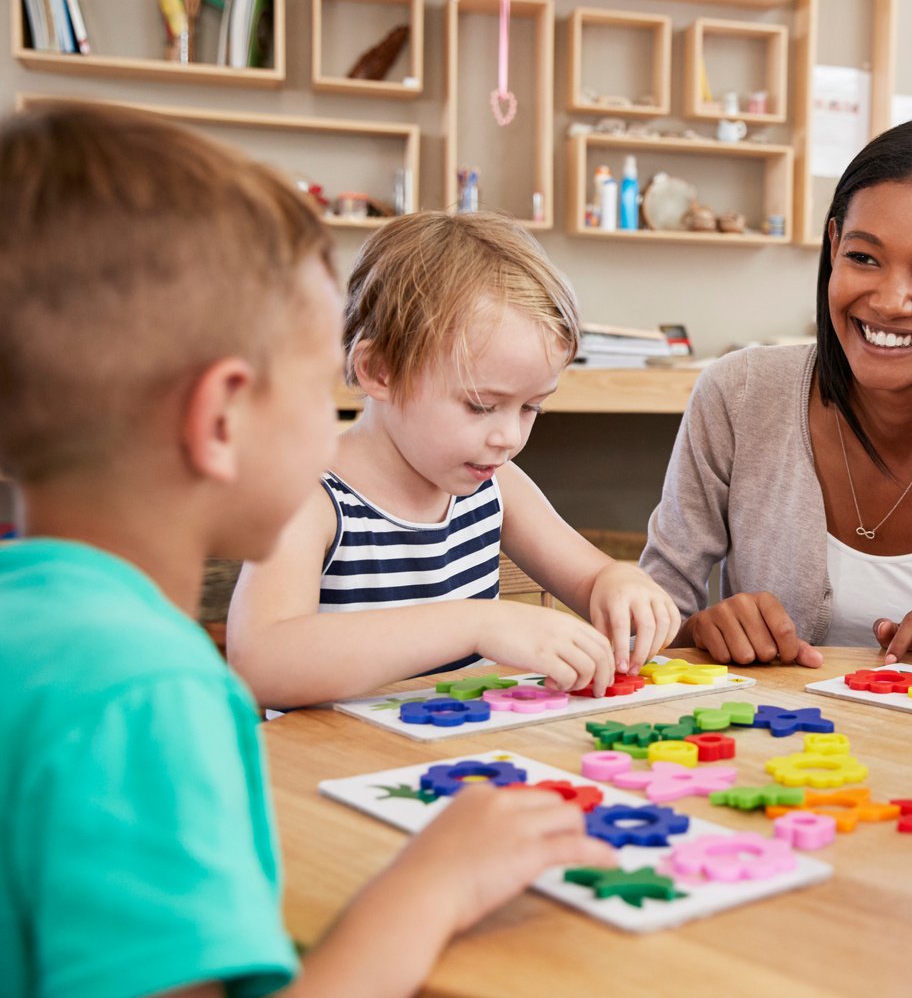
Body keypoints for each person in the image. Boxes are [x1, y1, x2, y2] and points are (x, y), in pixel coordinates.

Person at [0, 102, 616, 998]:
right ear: (222, 417)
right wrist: (430, 888)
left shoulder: (29, 623)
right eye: (310, 383)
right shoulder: (145, 695)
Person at [641, 116, 912, 671]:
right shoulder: (739, 393)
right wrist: (697, 631)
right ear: (833, 246)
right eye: (863, 258)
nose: (891, 301)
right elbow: (652, 613)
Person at [229, 212, 678, 707]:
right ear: (380, 370)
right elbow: (259, 664)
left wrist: (622, 583)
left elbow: (592, 578)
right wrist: (476, 623)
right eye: (480, 406)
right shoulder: (308, 497)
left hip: (456, 764)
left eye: (532, 408)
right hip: (324, 770)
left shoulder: (497, 484)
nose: (508, 436)